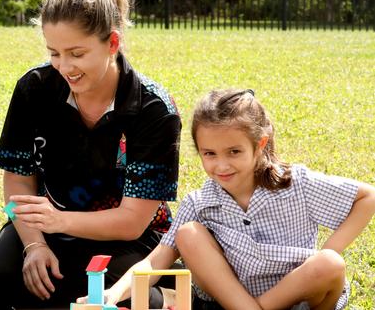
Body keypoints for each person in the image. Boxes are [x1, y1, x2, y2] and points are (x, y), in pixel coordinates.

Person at [0, 0, 182, 309]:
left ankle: (160, 296)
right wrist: (35, 245)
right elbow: (17, 182)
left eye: (77, 54)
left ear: (113, 43)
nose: (64, 67)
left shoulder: (153, 109)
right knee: (0, 278)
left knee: (102, 293)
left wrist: (59, 220)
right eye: (54, 53)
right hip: (48, 229)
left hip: (124, 240)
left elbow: (133, 222)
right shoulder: (34, 89)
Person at [93, 89, 375, 310]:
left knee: (331, 263)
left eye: (234, 152)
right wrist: (112, 293)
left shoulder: (294, 183)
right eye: (210, 154)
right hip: (228, 301)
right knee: (188, 233)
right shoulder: (200, 203)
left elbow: (367, 197)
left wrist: (328, 250)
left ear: (260, 144)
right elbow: (154, 263)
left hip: (297, 298)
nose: (221, 165)